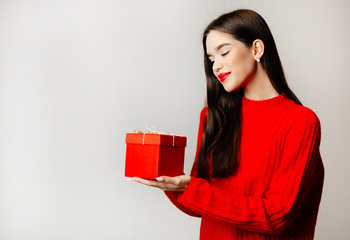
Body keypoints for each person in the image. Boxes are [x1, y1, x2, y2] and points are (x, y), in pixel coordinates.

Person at [132, 9, 324, 240]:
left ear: (256, 49)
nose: (215, 66)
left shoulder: (300, 122)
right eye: (211, 59)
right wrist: (166, 176)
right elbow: (200, 205)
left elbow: (275, 216)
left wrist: (192, 187)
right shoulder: (213, 117)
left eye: (223, 52)